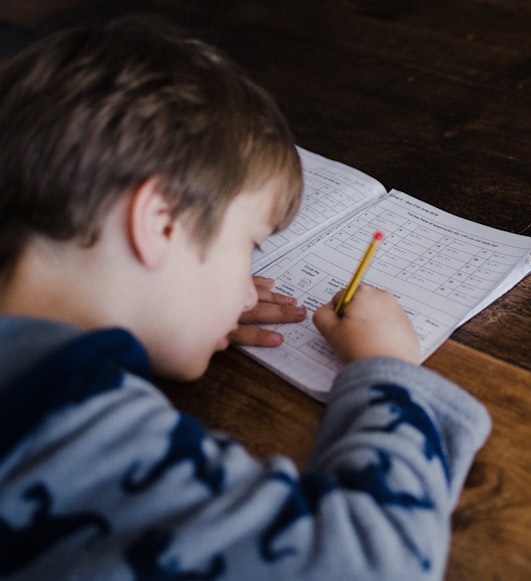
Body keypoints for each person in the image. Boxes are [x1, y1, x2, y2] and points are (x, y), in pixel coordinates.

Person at [0, 16, 491, 580]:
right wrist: (390, 372)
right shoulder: (69, 431)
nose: (246, 288)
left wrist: (169, 312)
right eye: (250, 246)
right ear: (162, 223)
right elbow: (379, 563)